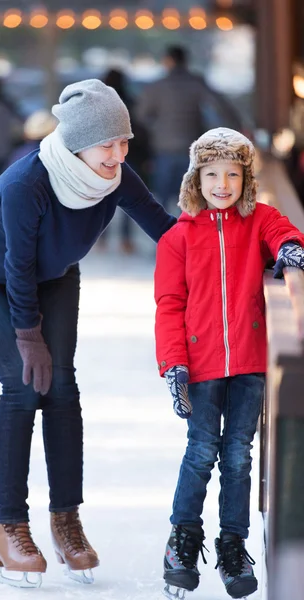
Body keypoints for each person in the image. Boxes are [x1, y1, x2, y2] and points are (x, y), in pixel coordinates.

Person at [0, 79, 176, 589]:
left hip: (53, 275)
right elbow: (16, 267)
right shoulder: (28, 183)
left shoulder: (116, 176)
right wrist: (29, 339)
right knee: (24, 385)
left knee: (63, 388)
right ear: (76, 144)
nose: (117, 155)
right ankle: (9, 529)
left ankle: (66, 521)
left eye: (124, 142)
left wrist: (232, 252)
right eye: (106, 144)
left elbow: (166, 229)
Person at [154, 128, 304, 600]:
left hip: (249, 361)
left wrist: (289, 250)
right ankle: (183, 538)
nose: (222, 183)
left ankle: (232, 543)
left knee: (238, 456)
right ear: (196, 179)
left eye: (233, 175)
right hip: (198, 366)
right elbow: (169, 304)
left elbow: (283, 228)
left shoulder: (257, 219)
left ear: (246, 179)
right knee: (200, 452)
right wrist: (174, 365)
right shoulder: (177, 237)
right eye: (212, 174)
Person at [136, 45, 242, 214]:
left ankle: (163, 236)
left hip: (164, 149)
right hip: (191, 148)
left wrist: (157, 129)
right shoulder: (196, 83)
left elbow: (141, 116)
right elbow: (221, 107)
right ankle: (187, 237)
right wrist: (237, 129)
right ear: (185, 62)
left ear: (168, 61)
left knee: (161, 201)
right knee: (190, 199)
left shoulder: (157, 86)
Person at [97, 68, 151, 254]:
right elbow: (141, 131)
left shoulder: (98, 105)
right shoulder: (130, 103)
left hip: (102, 157)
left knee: (102, 197)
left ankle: (100, 238)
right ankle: (125, 240)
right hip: (129, 156)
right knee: (129, 197)